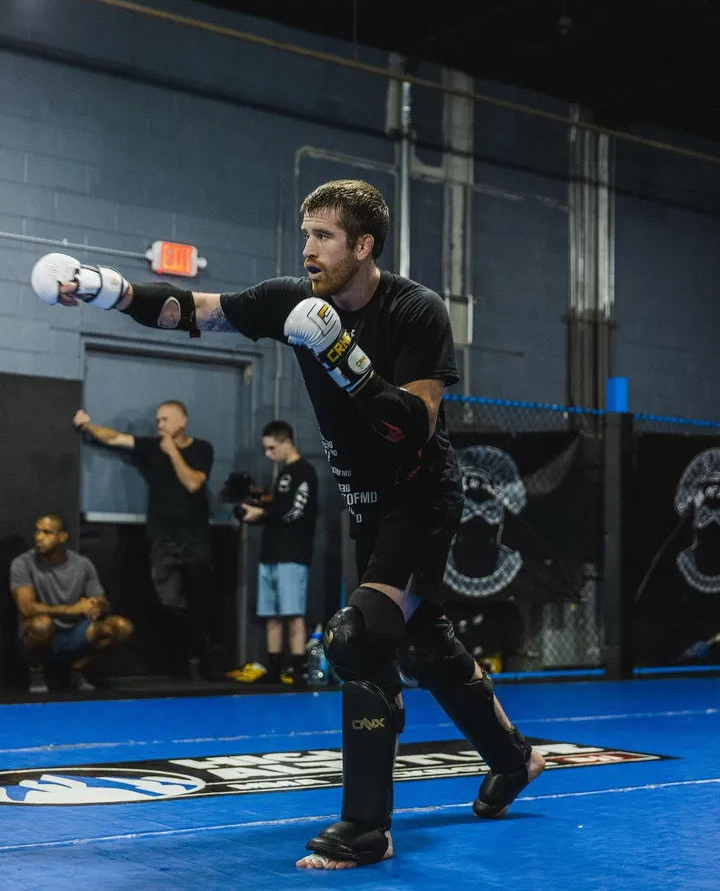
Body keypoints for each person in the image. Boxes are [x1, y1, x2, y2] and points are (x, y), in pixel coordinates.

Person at [30, 178, 546, 868]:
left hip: (420, 497)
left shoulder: (416, 311)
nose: (309, 249)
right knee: (421, 640)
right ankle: (513, 758)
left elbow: (416, 428)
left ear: (363, 245)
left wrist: (345, 361)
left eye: (324, 236)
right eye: (306, 234)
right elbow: (194, 310)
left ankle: (365, 828)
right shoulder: (292, 301)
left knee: (358, 639)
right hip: (365, 501)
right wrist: (107, 291)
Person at [72, 401, 216, 679]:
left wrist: (173, 452)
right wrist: (86, 426)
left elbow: (193, 483)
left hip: (195, 539)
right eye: (157, 420)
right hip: (163, 540)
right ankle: (181, 656)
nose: (159, 425)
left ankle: (204, 656)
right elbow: (114, 438)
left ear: (182, 422)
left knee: (202, 599)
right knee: (168, 601)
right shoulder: (151, 447)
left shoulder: (202, 449)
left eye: (164, 420)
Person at [10, 512, 133, 693]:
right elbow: (26, 607)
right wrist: (73, 609)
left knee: (122, 627)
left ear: (62, 537)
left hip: (76, 634)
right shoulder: (22, 563)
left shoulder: (83, 564)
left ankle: (77, 671)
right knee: (41, 624)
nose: (39, 537)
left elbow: (103, 601)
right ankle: (37, 674)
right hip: (42, 635)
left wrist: (96, 607)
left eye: (47, 532)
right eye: (37, 531)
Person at [240, 420, 318, 688]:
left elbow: (296, 510)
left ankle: (297, 668)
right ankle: (273, 667)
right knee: (271, 613)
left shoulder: (304, 471)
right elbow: (276, 510)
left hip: (292, 554)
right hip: (271, 553)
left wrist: (262, 513)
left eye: (272, 448)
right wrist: (256, 514)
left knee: (293, 613)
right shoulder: (282, 474)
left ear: (287, 442)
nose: (268, 454)